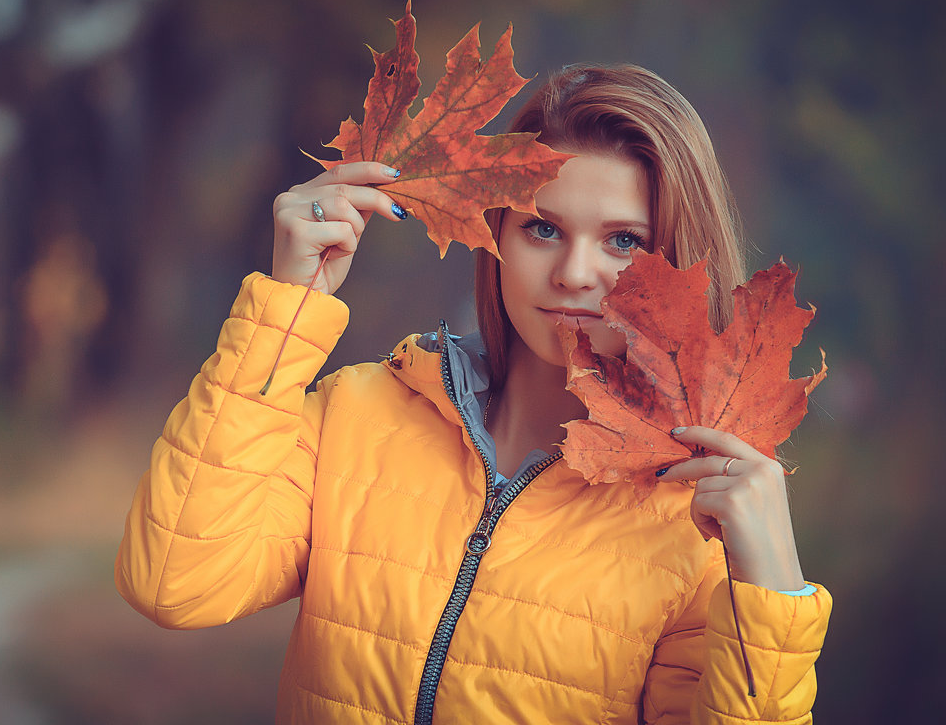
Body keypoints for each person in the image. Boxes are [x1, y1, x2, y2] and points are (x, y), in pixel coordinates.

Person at [115, 64, 831, 723]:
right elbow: (176, 581)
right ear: (497, 236)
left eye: (623, 243)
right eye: (543, 228)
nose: (576, 273)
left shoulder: (698, 523)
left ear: (681, 262)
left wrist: (773, 593)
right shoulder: (357, 413)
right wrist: (285, 308)